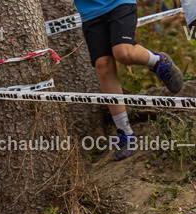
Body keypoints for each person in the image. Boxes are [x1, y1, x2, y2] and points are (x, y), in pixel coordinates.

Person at [74, 0, 185, 161]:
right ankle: (125, 132)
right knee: (103, 65)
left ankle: (157, 61)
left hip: (119, 3)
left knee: (123, 53)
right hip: (90, 12)